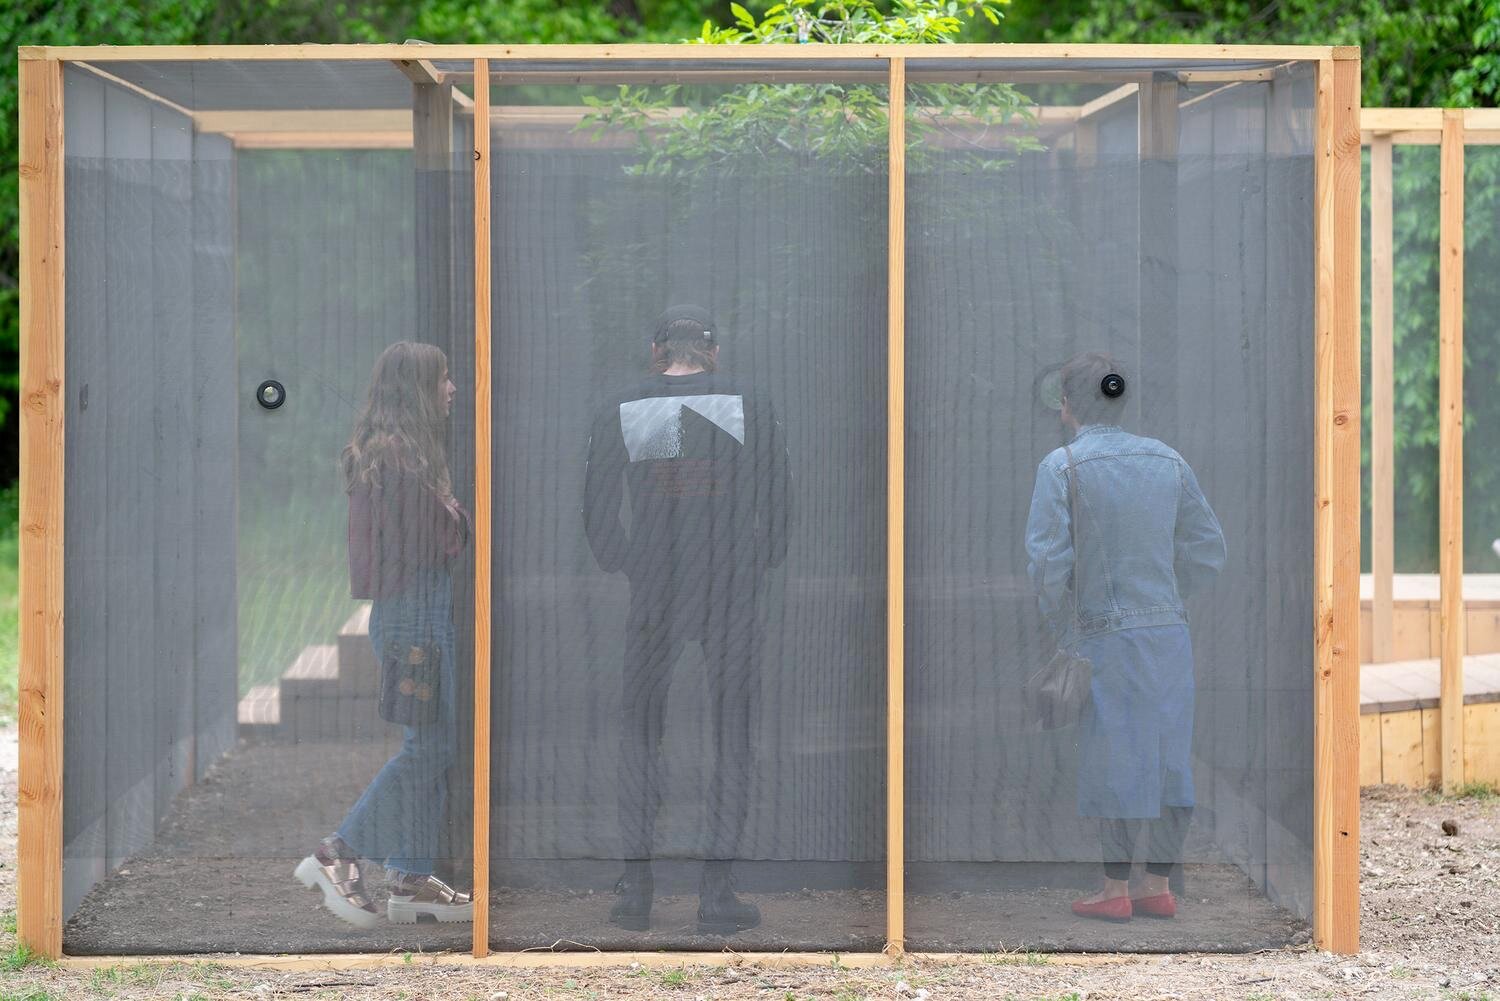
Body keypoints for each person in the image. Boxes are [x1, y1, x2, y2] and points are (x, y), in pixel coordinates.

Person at [583, 304, 791, 935]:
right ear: (714, 352)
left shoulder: (622, 407)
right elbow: (778, 505)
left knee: (642, 731)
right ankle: (717, 892)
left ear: (655, 352)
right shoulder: (751, 405)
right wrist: (754, 564)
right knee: (734, 734)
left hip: (657, 590)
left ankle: (636, 890)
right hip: (729, 590)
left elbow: (596, 510)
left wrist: (631, 562)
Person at [1024, 352, 1225, 923]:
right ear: (1120, 399)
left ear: (1067, 406)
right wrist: (1166, 600)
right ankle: (1156, 885)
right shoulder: (1169, 462)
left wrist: (1066, 629)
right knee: (1169, 758)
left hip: (1103, 640)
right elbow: (1210, 550)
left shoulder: (1060, 468)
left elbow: (1046, 566)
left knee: (1115, 758)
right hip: (1169, 638)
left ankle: (1114, 891)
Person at [295, 341, 474, 929]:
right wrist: (453, 513)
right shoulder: (399, 461)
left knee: (431, 748)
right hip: (415, 616)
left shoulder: (396, 455)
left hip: (413, 613)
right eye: (444, 379)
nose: (452, 389)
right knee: (428, 749)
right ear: (419, 389)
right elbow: (440, 541)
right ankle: (339, 853)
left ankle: (411, 878)